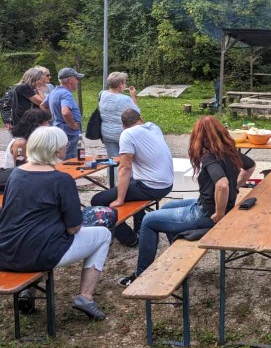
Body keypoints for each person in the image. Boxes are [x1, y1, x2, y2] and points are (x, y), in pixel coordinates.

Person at [117, 116, 248, 287]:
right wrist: (235, 187)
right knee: (167, 206)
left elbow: (222, 185)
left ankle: (140, 275)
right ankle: (177, 263)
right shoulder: (229, 150)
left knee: (148, 221)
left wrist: (220, 212)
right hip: (206, 205)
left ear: (199, 136)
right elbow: (250, 166)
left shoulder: (208, 155)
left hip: (206, 214)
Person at [0, 127, 111, 320]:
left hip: (7, 252)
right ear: (56, 149)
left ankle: (29, 290)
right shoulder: (61, 179)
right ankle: (85, 297)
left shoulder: (15, 175)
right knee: (103, 235)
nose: (66, 148)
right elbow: (73, 227)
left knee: (38, 234)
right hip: (40, 254)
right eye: (64, 145)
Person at [91, 108, 173, 247]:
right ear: (140, 119)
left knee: (98, 200)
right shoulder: (153, 127)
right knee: (131, 184)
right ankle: (141, 229)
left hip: (152, 186)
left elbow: (125, 168)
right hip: (167, 183)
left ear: (123, 125)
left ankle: (129, 238)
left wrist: (119, 199)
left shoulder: (127, 134)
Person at [41, 67, 84, 159]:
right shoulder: (66, 94)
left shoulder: (54, 92)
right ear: (70, 79)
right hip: (69, 134)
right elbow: (65, 112)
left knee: (60, 159)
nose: (78, 81)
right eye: (77, 78)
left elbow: (43, 105)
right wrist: (73, 125)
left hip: (59, 130)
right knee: (70, 161)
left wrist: (53, 118)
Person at [100, 72, 139, 157]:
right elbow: (136, 113)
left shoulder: (102, 94)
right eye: (124, 83)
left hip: (106, 133)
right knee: (125, 161)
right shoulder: (125, 99)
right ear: (120, 84)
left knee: (114, 160)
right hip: (122, 134)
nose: (125, 85)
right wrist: (133, 97)